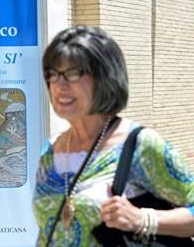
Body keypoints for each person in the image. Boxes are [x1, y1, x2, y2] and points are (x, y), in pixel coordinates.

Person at [33, 25, 194, 246]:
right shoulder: (50, 150)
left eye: (73, 73)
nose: (59, 85)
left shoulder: (140, 145)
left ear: (104, 78)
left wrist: (142, 218)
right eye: (52, 74)